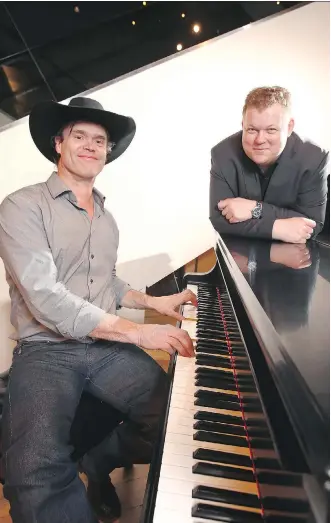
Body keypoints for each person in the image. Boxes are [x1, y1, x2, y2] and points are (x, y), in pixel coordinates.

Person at [0, 96, 196, 523]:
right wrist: (140, 332)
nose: (90, 145)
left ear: (108, 152)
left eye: (100, 140)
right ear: (59, 143)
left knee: (183, 417)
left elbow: (104, 282)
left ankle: (99, 460)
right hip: (45, 351)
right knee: (32, 470)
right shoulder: (21, 206)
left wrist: (153, 302)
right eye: (80, 136)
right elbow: (46, 295)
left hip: (104, 347)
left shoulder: (107, 219)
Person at [209, 86, 329, 244]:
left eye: (271, 130)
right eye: (251, 129)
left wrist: (255, 208)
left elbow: (312, 223)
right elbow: (218, 219)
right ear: (242, 124)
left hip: (295, 258)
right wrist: (276, 228)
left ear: (289, 127)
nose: (259, 140)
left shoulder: (314, 158)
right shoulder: (222, 154)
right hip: (241, 252)